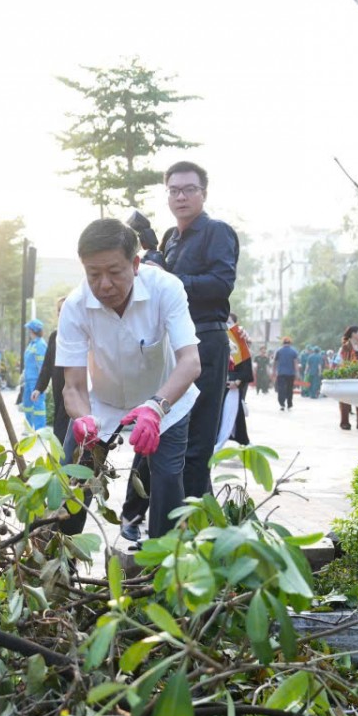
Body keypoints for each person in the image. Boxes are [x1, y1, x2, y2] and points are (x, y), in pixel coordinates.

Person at [57, 218, 201, 541]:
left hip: (166, 403)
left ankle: (161, 570)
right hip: (102, 406)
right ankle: (59, 561)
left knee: (166, 485)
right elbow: (74, 387)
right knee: (71, 487)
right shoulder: (76, 306)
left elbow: (190, 363)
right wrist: (83, 419)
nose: (104, 284)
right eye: (94, 274)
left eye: (114, 271)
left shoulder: (166, 289)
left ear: (135, 264)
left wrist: (157, 407)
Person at [158, 160, 239, 501]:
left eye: (189, 189)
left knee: (197, 437)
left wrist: (171, 281)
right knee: (169, 430)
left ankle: (186, 529)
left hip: (206, 339)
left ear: (203, 194)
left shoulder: (216, 231)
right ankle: (193, 517)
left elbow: (221, 284)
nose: (181, 196)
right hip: (172, 343)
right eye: (174, 190)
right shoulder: (169, 239)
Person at [31, 297, 70, 446]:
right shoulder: (55, 335)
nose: (61, 313)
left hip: (74, 389)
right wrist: (39, 388)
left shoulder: (80, 333)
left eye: (65, 309)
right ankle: (60, 461)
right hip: (58, 388)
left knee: (63, 426)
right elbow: (47, 365)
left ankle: (64, 461)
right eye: (59, 310)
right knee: (59, 426)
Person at [214, 315, 252, 452]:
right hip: (216, 385)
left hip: (232, 385)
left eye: (229, 322)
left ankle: (241, 441)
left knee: (232, 414)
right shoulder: (216, 337)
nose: (227, 324)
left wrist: (238, 381)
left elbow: (245, 366)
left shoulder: (239, 340)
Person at [338, 326, 358, 430]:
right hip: (348, 376)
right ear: (353, 334)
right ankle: (345, 422)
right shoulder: (345, 347)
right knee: (345, 400)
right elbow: (344, 362)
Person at [20, 318, 48, 432]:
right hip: (28, 379)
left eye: (29, 329)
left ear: (32, 330)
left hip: (36, 381)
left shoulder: (40, 345)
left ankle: (40, 430)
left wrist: (42, 384)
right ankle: (28, 427)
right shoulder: (32, 344)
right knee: (27, 404)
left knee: (38, 406)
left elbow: (42, 365)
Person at [274, 337, 298, 411]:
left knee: (281, 389)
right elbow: (295, 363)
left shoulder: (279, 351)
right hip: (290, 374)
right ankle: (289, 405)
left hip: (281, 373)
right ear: (290, 343)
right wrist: (297, 373)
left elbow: (275, 362)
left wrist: (274, 371)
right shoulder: (294, 351)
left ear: (283, 343)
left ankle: (282, 404)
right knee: (289, 389)